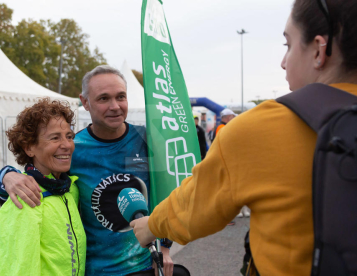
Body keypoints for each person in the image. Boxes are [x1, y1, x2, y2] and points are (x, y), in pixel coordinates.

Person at [130, 0, 357, 275]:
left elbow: (195, 205)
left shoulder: (262, 128)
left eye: (288, 44)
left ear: (320, 50)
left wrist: (151, 225)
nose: (283, 62)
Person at [0, 66, 174, 276]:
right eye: (104, 98)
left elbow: (169, 193)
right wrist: (6, 175)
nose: (115, 106)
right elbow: (37, 177)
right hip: (93, 270)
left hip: (144, 266)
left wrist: (165, 248)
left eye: (121, 97)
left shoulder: (148, 141)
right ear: (85, 102)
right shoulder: (73, 148)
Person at [0, 98, 87, 275]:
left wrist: (4, 174)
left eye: (69, 136)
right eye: (55, 138)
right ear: (29, 148)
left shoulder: (69, 188)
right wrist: (5, 176)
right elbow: (19, 270)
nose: (66, 145)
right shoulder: (26, 197)